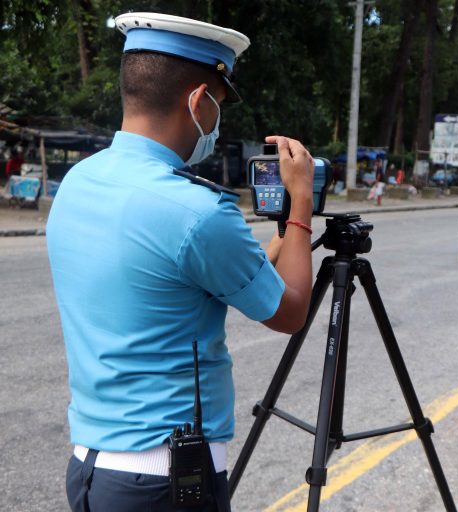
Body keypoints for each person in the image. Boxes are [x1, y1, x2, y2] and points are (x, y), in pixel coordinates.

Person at [46, 12, 315, 512]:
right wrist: (300, 204)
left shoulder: (79, 182)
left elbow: (190, 277)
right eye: (219, 101)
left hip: (90, 467)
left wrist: (279, 241)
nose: (217, 118)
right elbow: (291, 311)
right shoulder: (198, 213)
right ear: (197, 101)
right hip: (164, 482)